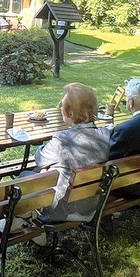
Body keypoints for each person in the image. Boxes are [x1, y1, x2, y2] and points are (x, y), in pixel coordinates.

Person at [34, 83, 111, 223]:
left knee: (26, 175)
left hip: (64, 207)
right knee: (46, 172)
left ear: (70, 113)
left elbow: (40, 159)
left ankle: (28, 223)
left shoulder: (62, 139)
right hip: (91, 204)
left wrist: (45, 162)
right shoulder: (105, 134)